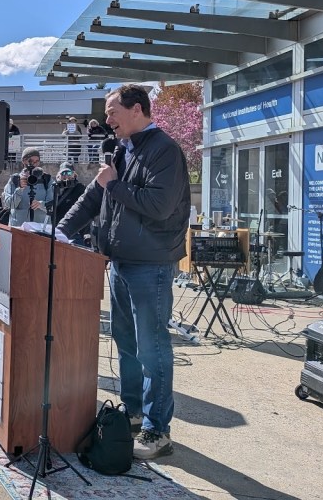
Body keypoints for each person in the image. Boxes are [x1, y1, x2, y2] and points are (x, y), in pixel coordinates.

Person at [56, 84, 190, 460]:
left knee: (153, 348)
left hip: (151, 265)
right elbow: (93, 197)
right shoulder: (120, 150)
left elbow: (159, 206)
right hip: (119, 263)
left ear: (137, 110)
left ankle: (157, 431)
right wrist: (56, 232)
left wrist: (113, 184)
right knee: (126, 344)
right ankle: (132, 412)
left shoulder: (164, 150)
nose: (107, 119)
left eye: (113, 111)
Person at [3, 147, 54, 227]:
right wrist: (19, 189)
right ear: (24, 161)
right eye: (31, 161)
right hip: (19, 227)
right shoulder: (15, 179)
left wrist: (40, 204)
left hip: (41, 228)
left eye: (37, 161)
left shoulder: (47, 179)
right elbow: (9, 204)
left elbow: (53, 204)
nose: (34, 164)